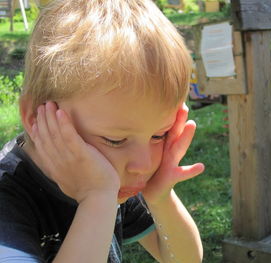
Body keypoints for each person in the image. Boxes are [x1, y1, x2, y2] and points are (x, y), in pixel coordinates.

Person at [0, 0, 205, 262]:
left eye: (159, 135)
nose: (143, 165)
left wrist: (161, 199)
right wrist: (96, 198)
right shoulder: (8, 201)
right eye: (115, 139)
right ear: (35, 116)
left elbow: (183, 259)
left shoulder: (116, 177)